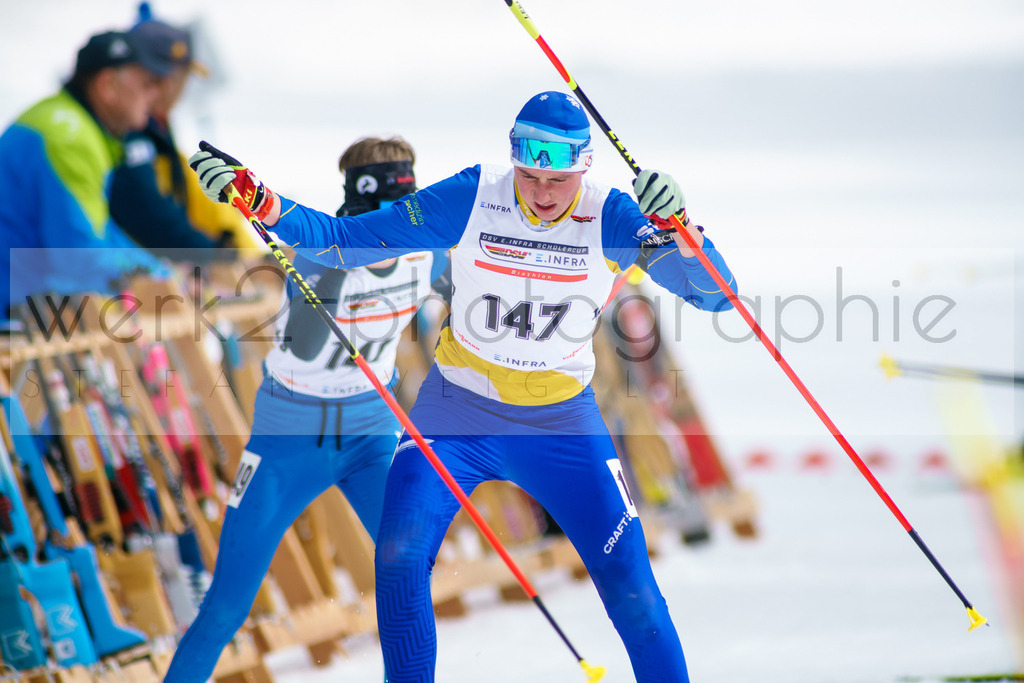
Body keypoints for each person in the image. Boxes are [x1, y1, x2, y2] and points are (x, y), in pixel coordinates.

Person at [189, 91, 736, 683]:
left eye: (559, 179)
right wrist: (261, 201)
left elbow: (715, 294)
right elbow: (343, 240)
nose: (543, 192)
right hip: (457, 414)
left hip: (560, 424)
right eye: (530, 175)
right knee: (398, 558)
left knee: (629, 580)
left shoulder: (612, 215)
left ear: (583, 167)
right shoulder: (475, 195)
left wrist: (684, 234)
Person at [163, 136, 449, 682]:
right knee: (227, 605)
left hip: (371, 437)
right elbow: (312, 341)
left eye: (401, 216)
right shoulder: (321, 252)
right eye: (377, 220)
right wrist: (336, 272)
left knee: (408, 574)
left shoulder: (429, 251)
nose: (391, 234)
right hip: (288, 442)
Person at [0, 29, 171, 318]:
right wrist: (158, 275)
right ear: (107, 86)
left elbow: (98, 230)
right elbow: (79, 259)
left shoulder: (60, 119)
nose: (155, 95)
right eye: (146, 83)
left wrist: (157, 268)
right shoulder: (72, 139)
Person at [109, 6, 258, 263]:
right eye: (183, 77)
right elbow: (150, 213)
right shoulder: (132, 132)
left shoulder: (157, 131)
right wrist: (217, 256)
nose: (183, 89)